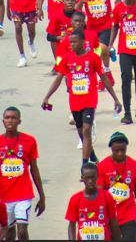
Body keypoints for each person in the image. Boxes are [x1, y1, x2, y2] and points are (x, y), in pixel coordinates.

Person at [42, 29, 122, 169]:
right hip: (74, 102)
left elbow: (103, 77)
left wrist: (115, 98)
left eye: (74, 42)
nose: (72, 44)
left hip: (89, 100)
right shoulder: (67, 58)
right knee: (81, 133)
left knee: (86, 130)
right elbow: (59, 78)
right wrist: (47, 96)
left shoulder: (93, 58)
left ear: (83, 43)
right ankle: (92, 157)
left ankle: (85, 166)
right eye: (70, 42)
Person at [0, 107, 45, 241]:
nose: (10, 120)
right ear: (3, 121)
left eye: (13, 117)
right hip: (4, 197)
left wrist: (42, 196)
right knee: (8, 232)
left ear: (19, 121)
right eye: (7, 117)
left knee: (22, 231)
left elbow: (34, 169)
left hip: (24, 195)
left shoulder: (29, 141)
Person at [97, 133, 136, 241]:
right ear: (111, 149)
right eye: (116, 151)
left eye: (123, 150)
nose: (120, 154)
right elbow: (99, 193)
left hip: (129, 214)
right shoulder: (102, 166)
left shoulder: (134, 164)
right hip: (109, 216)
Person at [65, 162, 120, 241]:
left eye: (93, 177)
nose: (90, 181)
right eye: (87, 178)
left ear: (97, 176)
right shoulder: (75, 199)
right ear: (82, 178)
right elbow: (72, 225)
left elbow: (113, 222)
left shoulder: (106, 196)